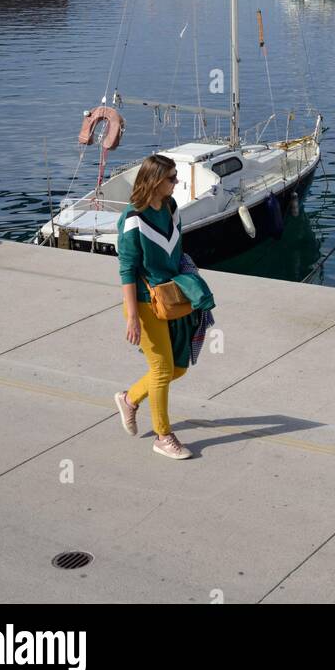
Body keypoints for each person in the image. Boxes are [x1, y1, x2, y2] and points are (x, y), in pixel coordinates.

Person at [114, 153, 215, 460]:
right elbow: (127, 270)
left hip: (173, 297)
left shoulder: (171, 207)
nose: (177, 181)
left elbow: (177, 251)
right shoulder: (133, 219)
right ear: (155, 181)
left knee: (178, 367)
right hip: (145, 304)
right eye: (172, 177)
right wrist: (132, 317)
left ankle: (130, 398)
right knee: (161, 370)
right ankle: (163, 436)